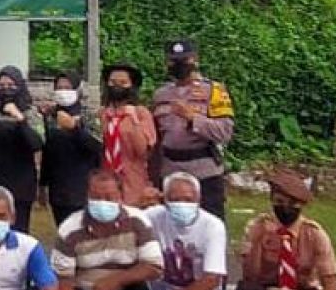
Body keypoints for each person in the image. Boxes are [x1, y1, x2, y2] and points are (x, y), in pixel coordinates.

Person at [142, 172, 227, 290]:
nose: (182, 205)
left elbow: (212, 278)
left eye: (188, 200)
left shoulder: (212, 226)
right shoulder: (153, 216)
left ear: (199, 199)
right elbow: (121, 222)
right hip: (162, 287)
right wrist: (136, 201)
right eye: (175, 199)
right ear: (164, 200)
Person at [152, 39, 235, 221]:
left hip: (204, 172)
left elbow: (225, 132)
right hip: (170, 170)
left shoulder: (214, 90)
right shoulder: (160, 94)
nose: (179, 65)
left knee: (210, 224)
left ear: (195, 59)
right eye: (173, 61)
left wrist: (193, 118)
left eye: (184, 60)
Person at [0, 65, 45, 233]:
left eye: (11, 85)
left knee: (19, 230)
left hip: (21, 183)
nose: (6, 89)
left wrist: (19, 118)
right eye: (1, 85)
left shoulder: (30, 112)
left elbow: (37, 143)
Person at [40, 71, 102, 226]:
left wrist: (74, 128)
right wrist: (42, 184)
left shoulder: (88, 116)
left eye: (67, 88)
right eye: (59, 88)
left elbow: (96, 146)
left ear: (77, 89)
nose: (63, 92)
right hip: (58, 187)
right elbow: (47, 152)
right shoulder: (50, 117)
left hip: (83, 186)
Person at [100, 63, 157, 208]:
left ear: (131, 86)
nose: (117, 86)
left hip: (133, 181)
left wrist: (134, 120)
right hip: (106, 181)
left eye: (123, 82)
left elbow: (143, 150)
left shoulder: (141, 113)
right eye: (112, 82)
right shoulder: (101, 114)